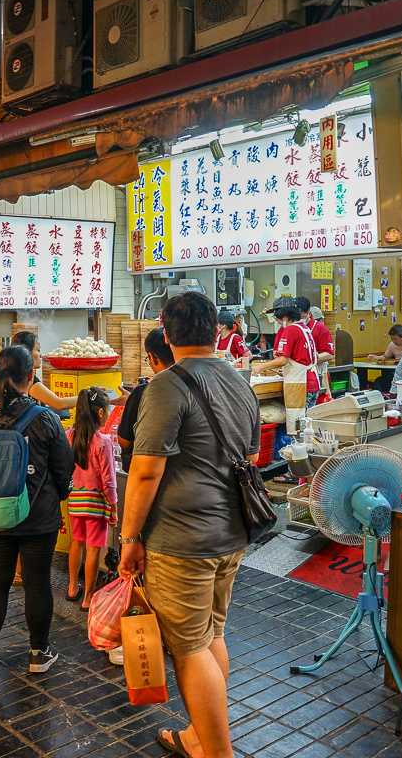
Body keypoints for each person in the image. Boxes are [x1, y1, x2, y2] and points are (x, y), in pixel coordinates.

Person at [118, 291, 261, 758]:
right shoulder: (240, 382)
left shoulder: (166, 385)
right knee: (210, 635)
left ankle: (217, 753)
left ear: (165, 329)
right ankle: (201, 736)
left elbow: (145, 470)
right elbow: (253, 456)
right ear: (217, 329)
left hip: (182, 542)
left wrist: (129, 538)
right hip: (232, 535)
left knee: (189, 647)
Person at [0, 345, 74, 680]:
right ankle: (39, 653)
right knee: (38, 582)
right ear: (30, 376)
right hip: (38, 516)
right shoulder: (46, 419)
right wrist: (55, 496)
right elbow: (63, 468)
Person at [65, 387, 117, 611]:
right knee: (93, 549)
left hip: (75, 499)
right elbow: (109, 481)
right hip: (95, 502)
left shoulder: (70, 435)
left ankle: (71, 587)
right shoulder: (102, 442)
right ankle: (87, 598)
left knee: (76, 543)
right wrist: (114, 507)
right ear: (100, 413)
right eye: (107, 411)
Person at [252, 303, 317, 434]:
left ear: (286, 318)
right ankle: (305, 452)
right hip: (312, 381)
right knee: (307, 428)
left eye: (280, 321)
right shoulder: (304, 328)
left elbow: (283, 359)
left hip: (300, 384)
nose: (280, 325)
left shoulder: (291, 329)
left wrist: (261, 366)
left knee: (298, 428)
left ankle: (298, 453)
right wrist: (287, 370)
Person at [117, 327, 175, 472]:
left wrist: (135, 399)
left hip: (149, 472)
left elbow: (124, 441)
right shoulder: (197, 384)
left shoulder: (144, 391)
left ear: (153, 357)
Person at [295, 297, 335, 392]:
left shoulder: (320, 328)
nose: (299, 319)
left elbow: (329, 355)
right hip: (297, 376)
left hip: (318, 374)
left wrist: (310, 358)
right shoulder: (292, 328)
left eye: (301, 316)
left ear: (309, 313)